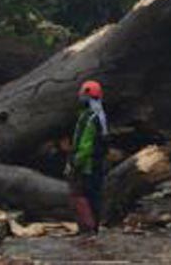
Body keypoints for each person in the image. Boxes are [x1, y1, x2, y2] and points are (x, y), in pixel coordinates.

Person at [65, 79, 109, 235]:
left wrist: (75, 164)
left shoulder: (88, 118)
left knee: (79, 195)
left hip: (87, 165)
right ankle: (94, 227)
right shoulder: (101, 115)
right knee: (95, 197)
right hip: (99, 164)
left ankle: (88, 228)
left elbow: (85, 146)